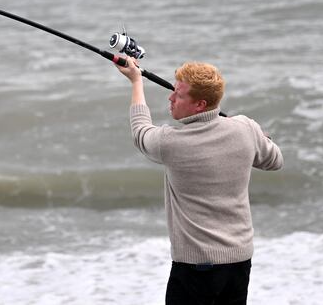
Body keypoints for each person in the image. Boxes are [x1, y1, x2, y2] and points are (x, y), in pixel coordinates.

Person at [115, 58, 283, 305]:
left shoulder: (171, 143)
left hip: (196, 267)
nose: (170, 98)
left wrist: (136, 81)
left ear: (199, 105)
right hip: (239, 262)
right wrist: (260, 138)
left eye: (179, 95)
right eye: (173, 90)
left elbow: (140, 132)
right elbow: (275, 160)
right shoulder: (245, 128)